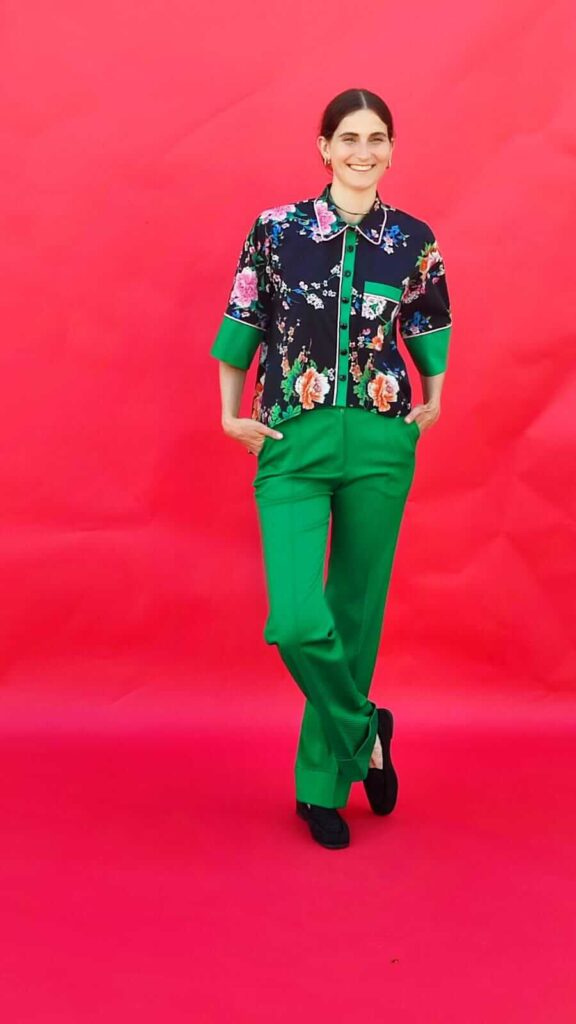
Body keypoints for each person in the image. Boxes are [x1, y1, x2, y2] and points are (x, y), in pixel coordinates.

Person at [210, 88, 453, 850]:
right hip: (292, 441)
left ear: (392, 149)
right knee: (295, 620)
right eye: (348, 137)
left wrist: (434, 401)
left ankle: (320, 786)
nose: (362, 151)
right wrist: (231, 413)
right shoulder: (276, 231)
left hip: (380, 443)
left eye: (376, 138)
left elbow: (430, 325)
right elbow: (244, 320)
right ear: (323, 148)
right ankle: (364, 731)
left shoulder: (412, 240)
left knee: (354, 614)